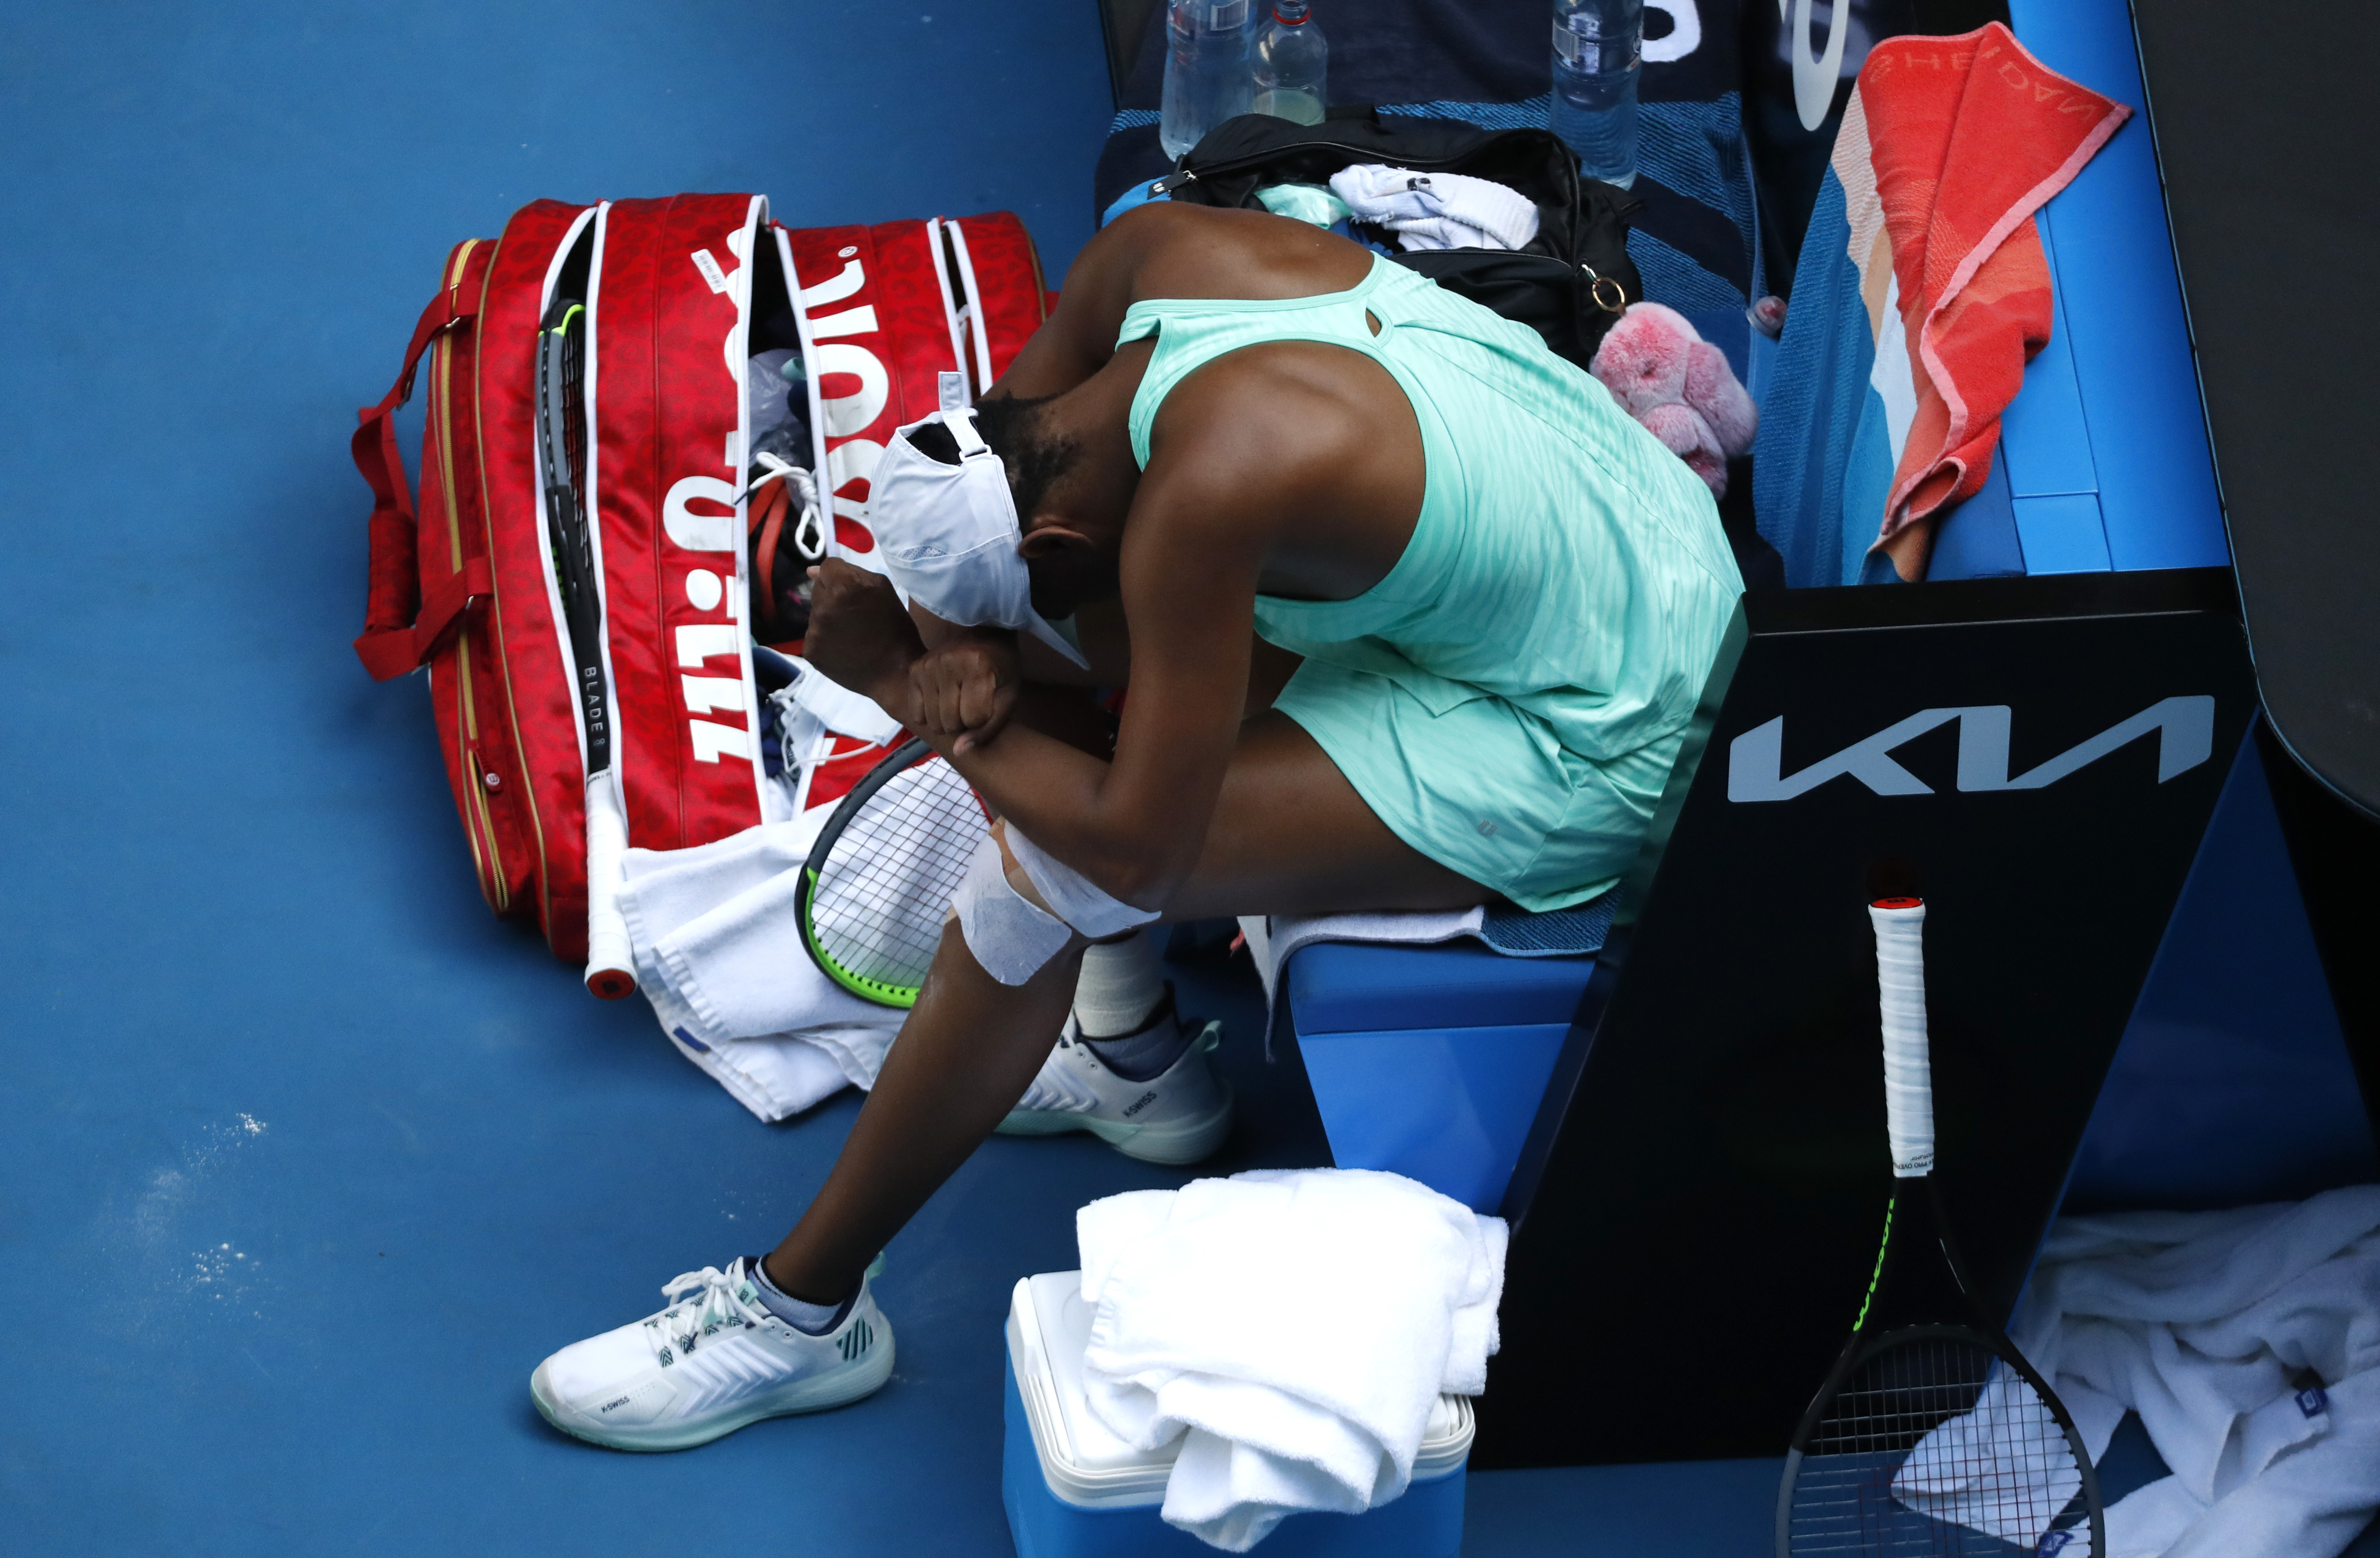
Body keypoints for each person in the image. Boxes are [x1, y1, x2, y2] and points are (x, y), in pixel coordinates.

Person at [527, 200, 1742, 1450]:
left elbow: (1132, 851)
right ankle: (1126, 1051)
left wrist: (901, 680)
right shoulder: (1153, 258)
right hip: (1640, 533)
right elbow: (1006, 550)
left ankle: (802, 1317)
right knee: (1048, 678)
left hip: (1623, 721)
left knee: (1046, 873)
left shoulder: (1204, 503)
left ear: (1059, 535)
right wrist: (964, 660)